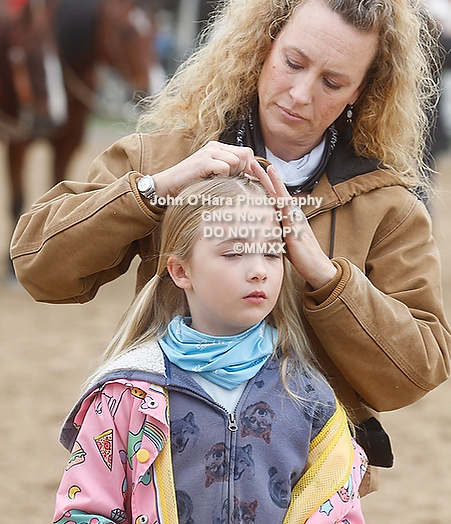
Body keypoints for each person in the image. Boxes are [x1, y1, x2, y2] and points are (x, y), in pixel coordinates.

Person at [10, 0, 451, 495]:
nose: (300, 93)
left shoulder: (389, 206)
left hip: (310, 492)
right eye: (293, 62)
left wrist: (326, 278)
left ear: (362, 93)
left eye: (332, 82)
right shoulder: (165, 158)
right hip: (160, 476)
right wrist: (153, 191)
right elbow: (38, 267)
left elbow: (415, 372)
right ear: (264, 45)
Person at [53, 174, 368, 524]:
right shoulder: (129, 393)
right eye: (234, 253)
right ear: (181, 271)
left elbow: (339, 510)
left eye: (272, 252)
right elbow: (82, 512)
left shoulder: (306, 394)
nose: (259, 271)